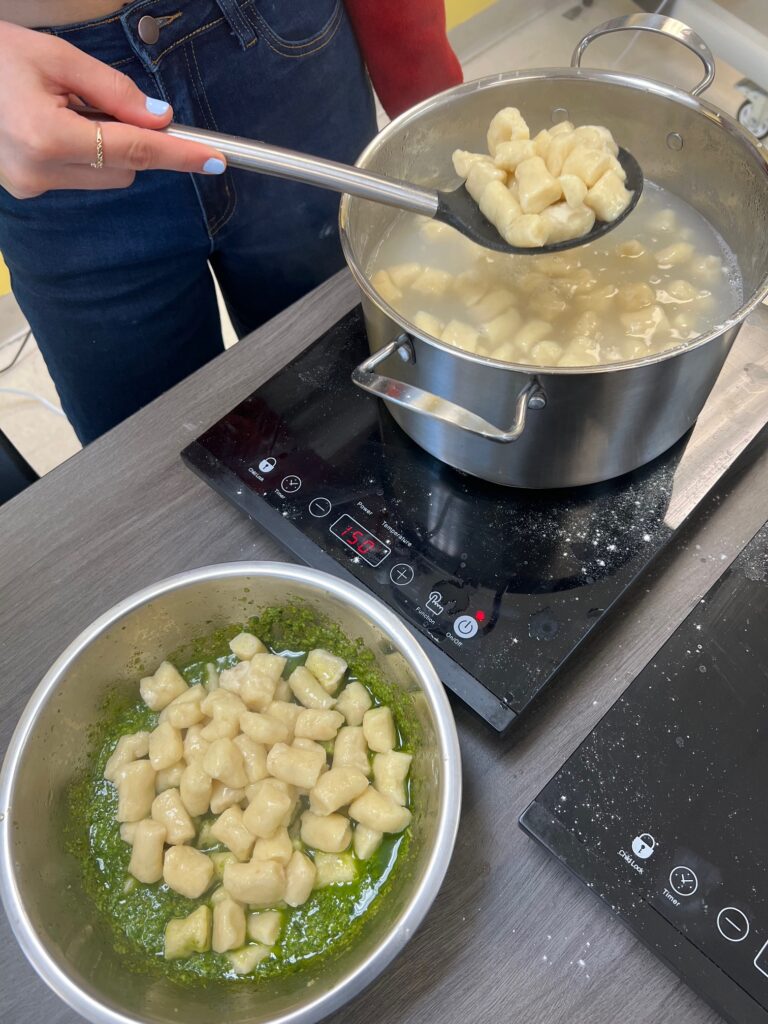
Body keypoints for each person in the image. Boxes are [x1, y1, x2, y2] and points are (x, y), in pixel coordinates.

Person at [0, 2, 461, 444]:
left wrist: (434, 102)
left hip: (283, 50)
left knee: (358, 406)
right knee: (152, 467)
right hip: (52, 104)